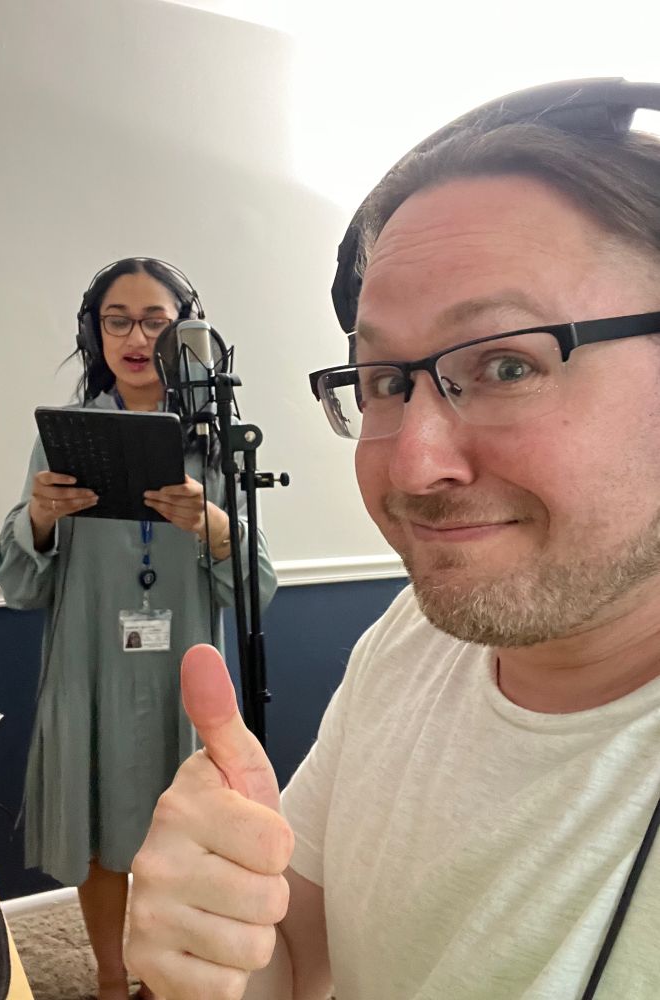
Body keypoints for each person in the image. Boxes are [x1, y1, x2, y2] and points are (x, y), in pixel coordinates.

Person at [125, 82, 660, 999]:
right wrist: (210, 953)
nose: (411, 469)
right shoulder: (411, 640)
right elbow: (293, 963)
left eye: (505, 364)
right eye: (381, 380)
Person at [0, 256, 277, 1000]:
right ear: (96, 331)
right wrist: (43, 518)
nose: (135, 335)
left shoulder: (217, 443)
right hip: (92, 665)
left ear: (187, 333)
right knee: (98, 832)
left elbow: (258, 587)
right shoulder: (68, 437)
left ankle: (165, 975)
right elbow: (21, 580)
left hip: (185, 671)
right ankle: (112, 980)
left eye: (155, 319)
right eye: (117, 318)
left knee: (184, 833)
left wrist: (213, 525)